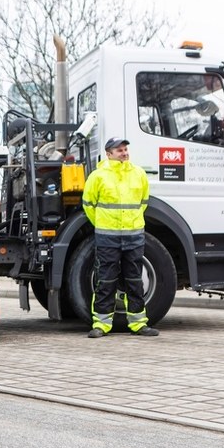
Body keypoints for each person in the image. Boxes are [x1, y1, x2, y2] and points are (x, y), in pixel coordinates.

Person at [82, 137, 159, 337]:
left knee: (135, 281)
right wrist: (103, 223)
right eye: (119, 150)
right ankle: (101, 325)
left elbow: (143, 202)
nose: (124, 153)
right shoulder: (98, 176)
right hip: (107, 237)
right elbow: (89, 205)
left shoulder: (138, 174)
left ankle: (138, 323)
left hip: (134, 236)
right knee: (105, 281)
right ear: (108, 154)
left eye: (125, 149)